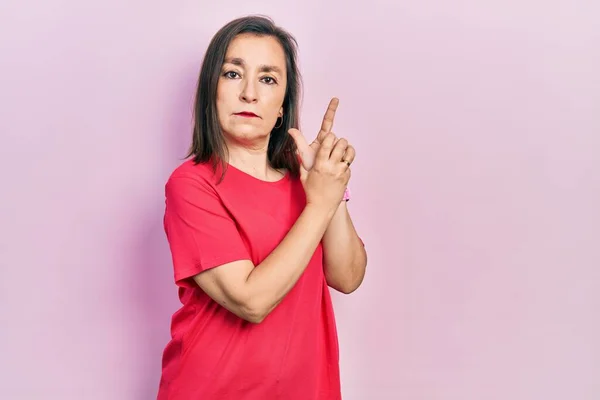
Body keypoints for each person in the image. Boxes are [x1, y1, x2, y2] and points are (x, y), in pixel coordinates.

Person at [157, 15, 367, 400]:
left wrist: (328, 185)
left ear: (282, 107)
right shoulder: (191, 185)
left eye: (268, 79)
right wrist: (320, 203)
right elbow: (250, 301)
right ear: (211, 92)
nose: (249, 93)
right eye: (233, 74)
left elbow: (348, 277)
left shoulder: (307, 186)